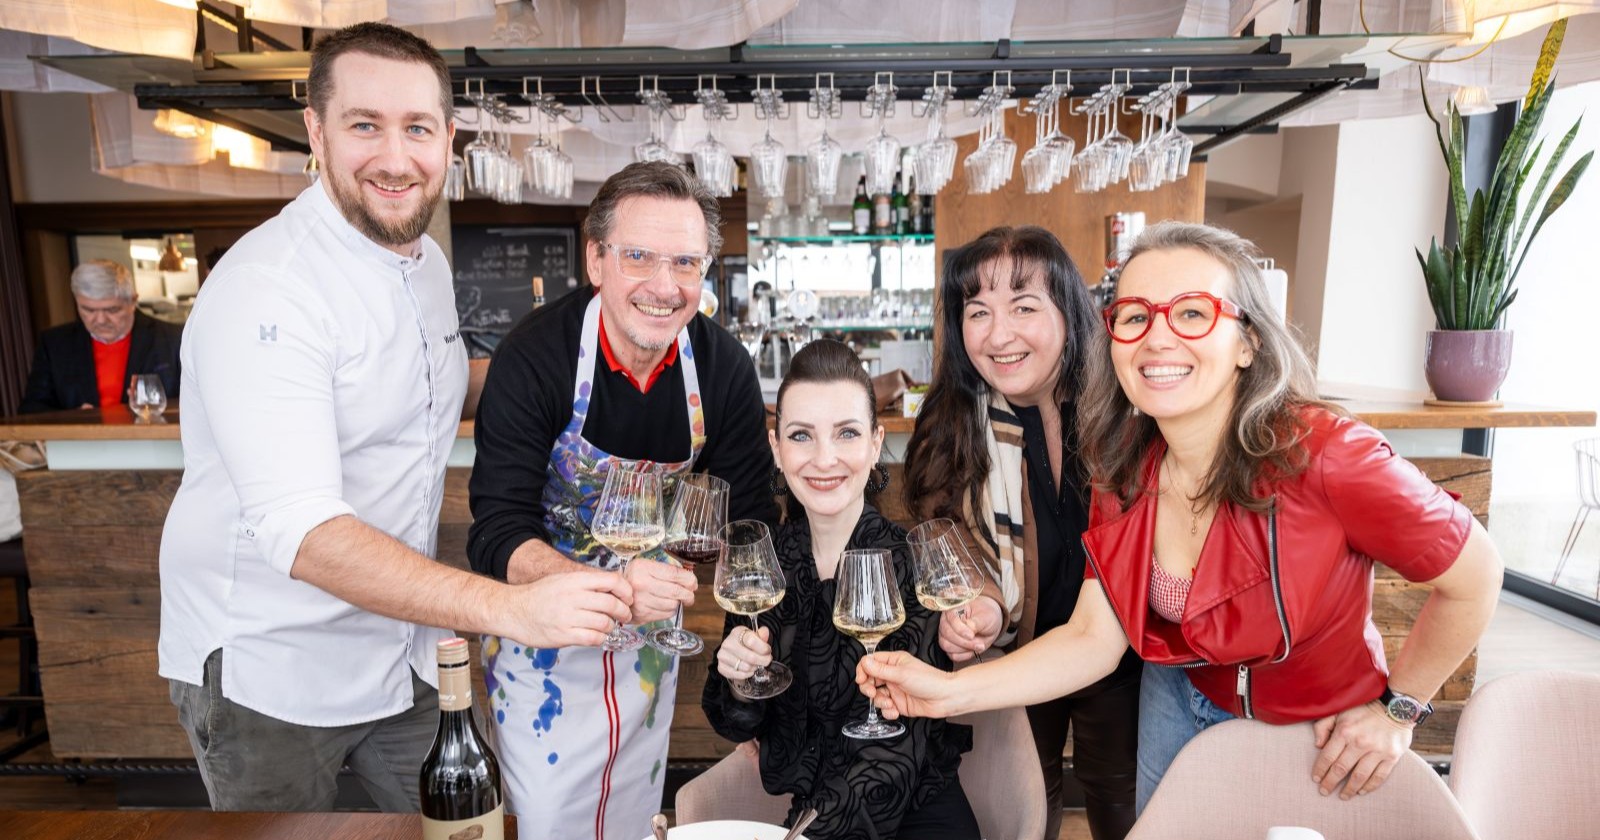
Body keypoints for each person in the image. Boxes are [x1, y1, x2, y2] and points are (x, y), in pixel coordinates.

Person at [861, 221, 1503, 810]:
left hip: (1318, 726)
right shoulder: (1125, 463)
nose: (1158, 337)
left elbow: (1476, 577)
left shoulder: (1328, 454)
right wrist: (944, 694)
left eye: (1192, 313)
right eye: (1135, 316)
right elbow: (1092, 638)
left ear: (1247, 341)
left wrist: (1399, 710)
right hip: (1178, 698)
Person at [158, 22, 631, 814]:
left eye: (416, 128)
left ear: (448, 137)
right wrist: (512, 607)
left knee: (467, 827)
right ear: (316, 130)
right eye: (364, 125)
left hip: (401, 648)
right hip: (272, 665)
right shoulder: (270, 288)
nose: (395, 157)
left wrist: (597, 394)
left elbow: (432, 389)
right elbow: (305, 534)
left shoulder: (425, 261)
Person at [467, 160, 779, 840]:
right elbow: (495, 532)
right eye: (639, 256)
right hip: (540, 642)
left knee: (632, 818)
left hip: (650, 646)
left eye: (685, 263)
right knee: (548, 821)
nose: (664, 287)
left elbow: (752, 522)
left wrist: (746, 650)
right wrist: (604, 586)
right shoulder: (537, 356)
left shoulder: (721, 368)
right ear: (597, 259)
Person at [901, 226, 1141, 840]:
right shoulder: (955, 416)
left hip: (1124, 649)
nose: (998, 334)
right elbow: (942, 532)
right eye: (977, 311)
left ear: (1069, 310)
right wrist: (975, 597)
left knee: (1124, 802)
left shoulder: (1126, 412)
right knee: (1026, 805)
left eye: (1024, 307)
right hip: (1015, 651)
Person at [704, 339, 978, 840]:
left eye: (846, 433)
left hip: (912, 825)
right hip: (811, 824)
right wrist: (738, 675)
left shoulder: (910, 566)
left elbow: (890, 766)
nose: (824, 459)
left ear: (875, 444)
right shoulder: (766, 566)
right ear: (776, 448)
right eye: (802, 436)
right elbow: (737, 725)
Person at [20, 260, 182, 413]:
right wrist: (71, 419)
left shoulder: (172, 339)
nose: (100, 320)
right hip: (81, 441)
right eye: (88, 310)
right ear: (77, 302)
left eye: (112, 310)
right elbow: (32, 408)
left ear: (133, 301)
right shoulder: (55, 344)